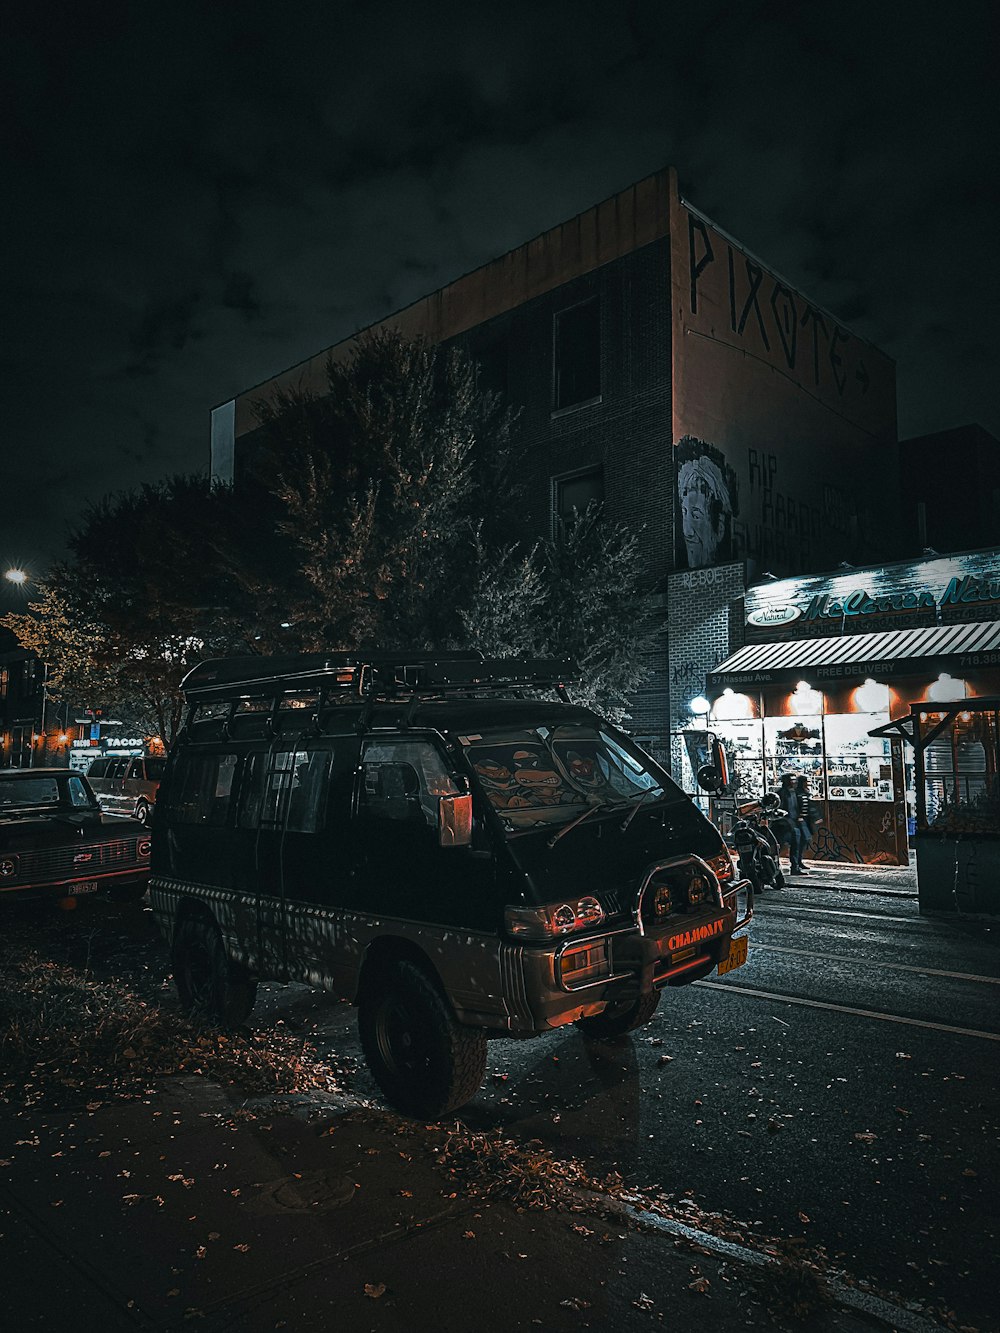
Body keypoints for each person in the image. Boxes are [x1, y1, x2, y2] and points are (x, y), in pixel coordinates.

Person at [772, 773, 806, 876]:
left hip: (793, 824)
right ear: (786, 781)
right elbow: (778, 810)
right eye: (792, 780)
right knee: (778, 848)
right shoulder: (780, 794)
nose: (794, 782)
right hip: (783, 826)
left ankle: (794, 867)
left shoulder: (793, 792)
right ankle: (776, 868)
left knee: (795, 846)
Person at [793, 775, 816, 874]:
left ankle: (798, 861)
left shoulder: (805, 792)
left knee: (804, 841)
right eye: (806, 781)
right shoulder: (797, 793)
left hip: (805, 820)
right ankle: (795, 864)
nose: (808, 783)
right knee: (798, 842)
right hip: (798, 821)